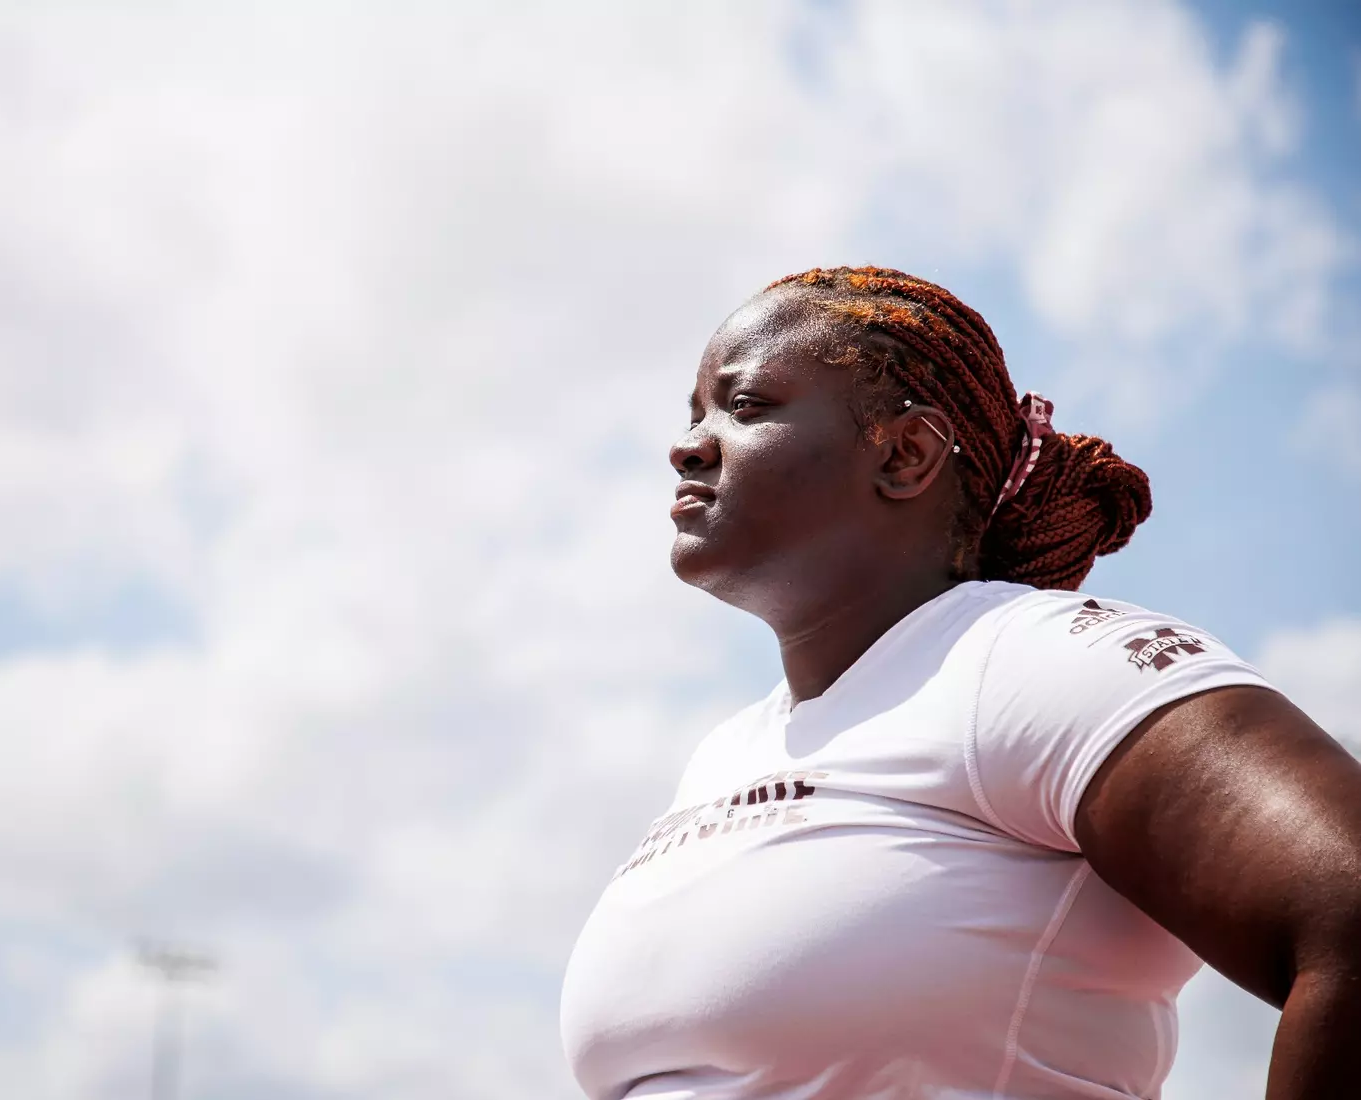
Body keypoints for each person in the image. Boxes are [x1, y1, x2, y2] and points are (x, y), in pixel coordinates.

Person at [558, 267, 1361, 1100]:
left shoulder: (1029, 659)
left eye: (747, 406)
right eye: (695, 414)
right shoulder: (725, 753)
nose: (688, 445)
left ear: (906, 453)